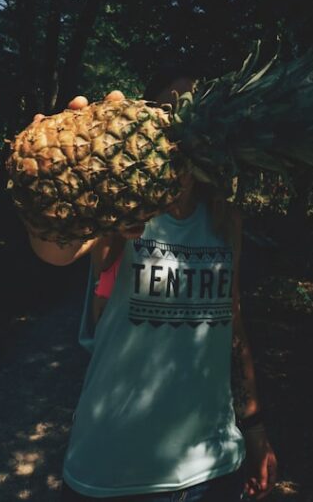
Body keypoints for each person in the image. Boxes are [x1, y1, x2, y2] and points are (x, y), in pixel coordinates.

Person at [24, 74, 279, 501]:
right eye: (169, 114)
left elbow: (232, 325)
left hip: (214, 464)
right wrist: (50, 180)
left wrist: (253, 428)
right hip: (113, 469)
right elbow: (55, 252)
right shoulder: (122, 207)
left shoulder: (225, 220)